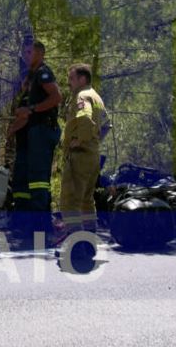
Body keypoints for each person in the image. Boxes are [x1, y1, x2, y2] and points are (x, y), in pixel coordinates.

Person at [9, 41, 63, 243]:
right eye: (24, 51)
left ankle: (42, 230)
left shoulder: (43, 72)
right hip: (27, 135)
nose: (25, 54)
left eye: (30, 51)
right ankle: (23, 226)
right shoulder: (29, 79)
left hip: (41, 131)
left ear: (40, 54)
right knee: (21, 181)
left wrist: (31, 110)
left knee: (38, 181)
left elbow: (57, 97)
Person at [55, 64, 109, 252]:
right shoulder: (97, 97)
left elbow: (85, 119)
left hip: (80, 156)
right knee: (87, 200)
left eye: (72, 78)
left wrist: (80, 140)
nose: (69, 83)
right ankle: (90, 243)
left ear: (82, 79)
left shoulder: (82, 96)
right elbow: (107, 125)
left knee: (71, 200)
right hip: (92, 156)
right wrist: (94, 142)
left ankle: (75, 246)